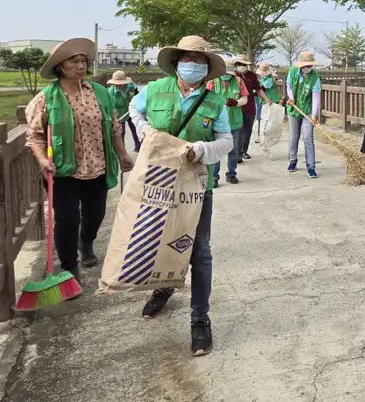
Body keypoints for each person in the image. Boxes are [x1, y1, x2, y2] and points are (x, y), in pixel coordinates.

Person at [129, 35, 233, 356]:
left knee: (199, 250)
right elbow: (135, 111)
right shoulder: (154, 90)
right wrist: (146, 131)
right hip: (159, 182)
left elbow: (226, 141)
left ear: (207, 68)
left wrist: (203, 150)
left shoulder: (215, 102)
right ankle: (164, 286)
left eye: (200, 61)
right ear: (176, 63)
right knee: (161, 241)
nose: (193, 64)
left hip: (198, 187)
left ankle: (200, 317)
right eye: (188, 59)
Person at [25, 39, 134, 283]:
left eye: (83, 60)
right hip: (63, 170)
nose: (80, 65)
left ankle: (86, 242)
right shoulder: (46, 98)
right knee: (66, 219)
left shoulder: (101, 93)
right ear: (59, 67)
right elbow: (34, 135)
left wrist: (122, 154)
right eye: (73, 61)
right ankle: (69, 267)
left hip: (97, 167)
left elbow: (114, 128)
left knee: (95, 215)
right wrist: (42, 160)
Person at [206, 63, 248, 185]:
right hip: (216, 121)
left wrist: (235, 102)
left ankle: (231, 174)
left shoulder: (239, 81)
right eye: (224, 74)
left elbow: (245, 99)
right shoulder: (212, 82)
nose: (226, 76)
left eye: (229, 74)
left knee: (233, 149)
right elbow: (205, 98)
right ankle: (214, 177)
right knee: (216, 149)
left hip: (234, 121)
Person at [286, 52, 321, 178]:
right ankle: (292, 161)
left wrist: (314, 114)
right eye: (306, 65)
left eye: (310, 65)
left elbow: (315, 96)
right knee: (293, 137)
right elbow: (289, 86)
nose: (308, 67)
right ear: (301, 65)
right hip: (294, 109)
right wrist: (291, 98)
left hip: (307, 110)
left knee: (308, 137)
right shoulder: (293, 71)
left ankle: (311, 166)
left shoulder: (315, 77)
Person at [233, 56, 259, 162]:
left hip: (250, 106)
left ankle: (243, 151)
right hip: (236, 107)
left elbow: (258, 89)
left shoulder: (252, 76)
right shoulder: (233, 76)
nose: (242, 66)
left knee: (247, 131)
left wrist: (266, 99)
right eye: (239, 64)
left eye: (244, 64)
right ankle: (237, 153)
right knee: (238, 131)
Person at [107, 70, 140, 152]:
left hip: (131, 110)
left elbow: (138, 96)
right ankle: (122, 151)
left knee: (136, 128)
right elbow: (110, 107)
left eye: (120, 84)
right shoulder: (110, 93)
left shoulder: (131, 86)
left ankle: (138, 146)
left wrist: (136, 106)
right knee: (121, 132)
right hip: (119, 113)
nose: (118, 85)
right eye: (116, 84)